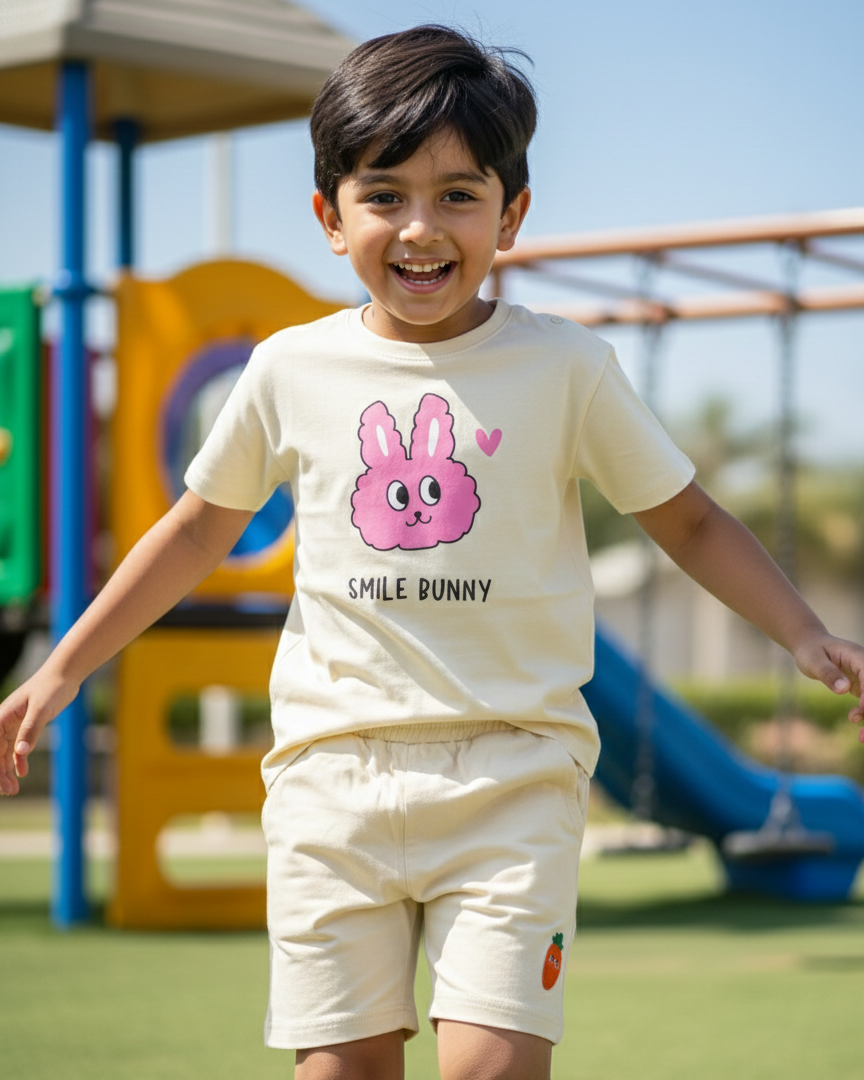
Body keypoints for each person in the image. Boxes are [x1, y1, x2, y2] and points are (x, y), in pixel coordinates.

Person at [2, 23, 863, 1080]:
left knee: (492, 1066)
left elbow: (684, 517)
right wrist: (62, 667)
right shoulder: (288, 370)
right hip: (331, 778)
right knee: (343, 1069)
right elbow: (194, 530)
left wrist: (805, 631)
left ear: (514, 214)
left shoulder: (566, 368)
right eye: (385, 194)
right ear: (330, 216)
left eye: (460, 193)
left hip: (515, 771)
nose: (421, 226)